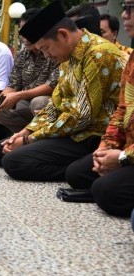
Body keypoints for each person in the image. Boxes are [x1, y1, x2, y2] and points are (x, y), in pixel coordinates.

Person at [0, 0, 125, 182]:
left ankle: (84, 168)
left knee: (14, 162)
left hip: (91, 135)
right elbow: (55, 104)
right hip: (72, 132)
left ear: (62, 35)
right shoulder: (68, 57)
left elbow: (81, 116)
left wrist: (31, 140)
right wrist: (25, 132)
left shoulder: (98, 54)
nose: (47, 56)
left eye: (45, 48)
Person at [65, 2, 134, 219]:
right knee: (76, 173)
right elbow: (122, 110)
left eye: (131, 8)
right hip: (124, 144)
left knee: (105, 191)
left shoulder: (99, 54)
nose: (124, 14)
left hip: (95, 134)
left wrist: (123, 157)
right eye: (124, 7)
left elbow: (83, 114)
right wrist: (106, 149)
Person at [0, 8, 59, 133]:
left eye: (29, 31)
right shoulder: (22, 55)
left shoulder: (55, 51)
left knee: (38, 102)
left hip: (51, 102)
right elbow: (13, 84)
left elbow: (52, 85)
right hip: (25, 103)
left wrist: (18, 95)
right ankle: (25, 136)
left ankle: (42, 137)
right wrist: (0, 98)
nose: (25, 37)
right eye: (23, 32)